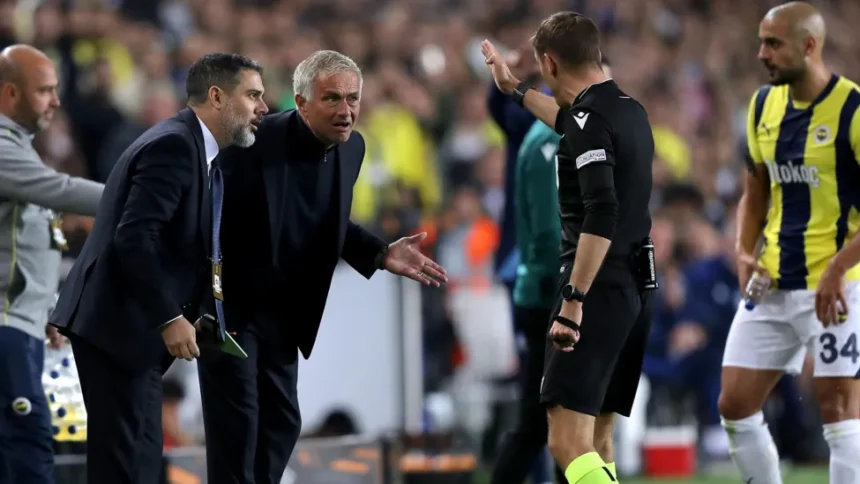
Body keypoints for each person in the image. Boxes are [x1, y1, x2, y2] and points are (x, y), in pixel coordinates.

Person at [199, 49, 448, 484]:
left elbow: (327, 219)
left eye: (353, 98)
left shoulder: (353, 150)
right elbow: (206, 211)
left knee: (281, 424)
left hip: (283, 316)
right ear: (301, 101)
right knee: (238, 428)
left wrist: (379, 252)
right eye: (332, 98)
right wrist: (200, 300)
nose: (346, 110)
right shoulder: (252, 141)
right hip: (233, 310)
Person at [49, 53, 268, 483]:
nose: (263, 107)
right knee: (128, 469)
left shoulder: (195, 150)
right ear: (217, 96)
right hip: (117, 332)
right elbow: (134, 240)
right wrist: (170, 316)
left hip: (130, 337)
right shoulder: (173, 146)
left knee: (140, 467)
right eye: (253, 95)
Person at [483, 12, 655, 484]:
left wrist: (574, 300)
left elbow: (602, 213)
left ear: (551, 63)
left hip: (596, 289)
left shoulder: (588, 122)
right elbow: (567, 121)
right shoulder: (627, 109)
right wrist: (514, 89)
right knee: (598, 438)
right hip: (638, 286)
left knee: (563, 439)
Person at [717, 3, 860, 483]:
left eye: (773, 43)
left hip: (839, 287)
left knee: (838, 408)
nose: (762, 53)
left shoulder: (854, 110)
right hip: (774, 282)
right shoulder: (761, 106)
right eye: (761, 42)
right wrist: (742, 249)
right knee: (734, 405)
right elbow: (754, 190)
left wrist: (839, 268)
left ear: (809, 45)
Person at [490, 59, 612, 484]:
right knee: (546, 420)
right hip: (552, 294)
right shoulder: (549, 143)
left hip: (556, 291)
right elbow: (547, 230)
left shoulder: (563, 137)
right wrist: (570, 292)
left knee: (561, 417)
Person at [0, 44, 103, 484]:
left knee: (23, 445)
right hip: (6, 330)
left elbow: (24, 244)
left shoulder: (19, 148)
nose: (56, 101)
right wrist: (141, 194)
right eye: (44, 90)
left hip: (20, 326)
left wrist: (42, 311)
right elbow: (59, 190)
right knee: (26, 448)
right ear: (9, 94)